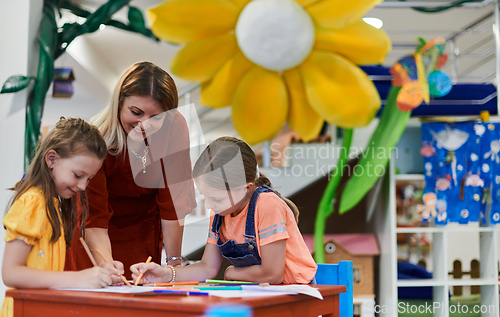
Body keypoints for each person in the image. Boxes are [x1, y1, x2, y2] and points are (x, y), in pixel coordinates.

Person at [65, 61, 197, 280]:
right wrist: (107, 267)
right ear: (118, 103)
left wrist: (174, 268)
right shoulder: (96, 140)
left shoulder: (174, 127)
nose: (144, 125)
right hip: (96, 236)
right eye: (136, 112)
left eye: (156, 118)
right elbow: (94, 219)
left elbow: (173, 201)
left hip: (143, 232)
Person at [130, 137, 317, 285]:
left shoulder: (267, 205)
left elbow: (273, 274)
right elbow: (207, 268)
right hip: (261, 291)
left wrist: (231, 272)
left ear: (246, 187)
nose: (210, 205)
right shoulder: (220, 213)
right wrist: (164, 274)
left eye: (216, 199)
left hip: (297, 290)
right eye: (206, 197)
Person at [2, 118, 115, 317]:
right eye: (78, 175)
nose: (83, 186)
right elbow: (11, 273)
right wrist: (77, 279)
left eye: (89, 179)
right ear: (52, 159)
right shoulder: (33, 202)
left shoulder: (53, 204)